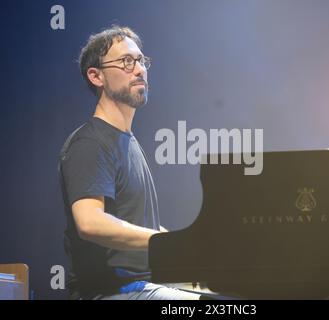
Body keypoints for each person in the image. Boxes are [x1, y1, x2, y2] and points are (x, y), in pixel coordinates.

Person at [58, 26, 200, 300]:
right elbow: (90, 222)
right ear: (96, 76)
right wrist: (163, 242)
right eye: (126, 61)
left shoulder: (128, 141)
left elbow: (139, 225)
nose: (139, 70)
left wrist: (187, 248)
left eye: (141, 61)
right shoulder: (90, 142)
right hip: (109, 293)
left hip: (142, 287)